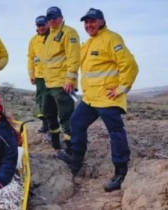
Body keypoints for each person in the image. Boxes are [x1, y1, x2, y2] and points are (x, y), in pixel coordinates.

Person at [56, 8, 139, 192]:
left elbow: (130, 65)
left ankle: (120, 171)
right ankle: (76, 159)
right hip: (91, 98)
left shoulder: (112, 38)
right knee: (76, 121)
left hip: (108, 97)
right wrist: (69, 79)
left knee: (115, 131)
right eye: (86, 22)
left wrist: (121, 89)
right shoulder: (88, 44)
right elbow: (75, 63)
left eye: (92, 21)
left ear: (101, 21)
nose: (88, 25)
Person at [42, 6, 80, 150]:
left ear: (61, 17)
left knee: (66, 117)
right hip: (48, 84)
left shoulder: (69, 33)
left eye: (54, 17)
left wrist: (70, 80)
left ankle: (71, 147)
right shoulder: (49, 36)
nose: (52, 20)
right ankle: (56, 143)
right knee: (48, 114)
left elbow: (74, 58)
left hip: (62, 84)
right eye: (49, 18)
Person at [27, 15, 50, 133]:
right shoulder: (33, 40)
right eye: (39, 25)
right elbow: (30, 58)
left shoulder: (54, 37)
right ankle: (45, 124)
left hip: (53, 75)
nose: (41, 27)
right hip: (39, 76)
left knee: (52, 100)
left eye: (43, 24)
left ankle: (56, 123)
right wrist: (32, 74)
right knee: (41, 99)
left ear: (48, 24)